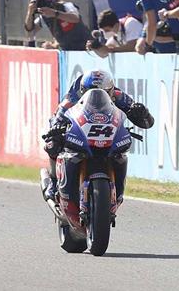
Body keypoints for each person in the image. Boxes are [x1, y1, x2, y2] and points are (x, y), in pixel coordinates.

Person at [41, 69, 154, 201]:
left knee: (120, 154)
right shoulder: (74, 94)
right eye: (90, 92)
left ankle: (115, 192)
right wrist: (55, 128)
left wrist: (142, 112)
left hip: (106, 133)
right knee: (52, 143)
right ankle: (54, 182)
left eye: (104, 93)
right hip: (81, 131)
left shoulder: (117, 95)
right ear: (83, 90)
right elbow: (59, 113)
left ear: (110, 90)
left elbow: (147, 122)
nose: (96, 97)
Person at [24, 0, 90, 51]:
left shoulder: (66, 6)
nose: (46, 3)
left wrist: (55, 13)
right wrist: (30, 12)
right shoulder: (44, 16)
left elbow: (76, 18)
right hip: (66, 51)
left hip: (84, 47)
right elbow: (30, 31)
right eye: (41, 1)